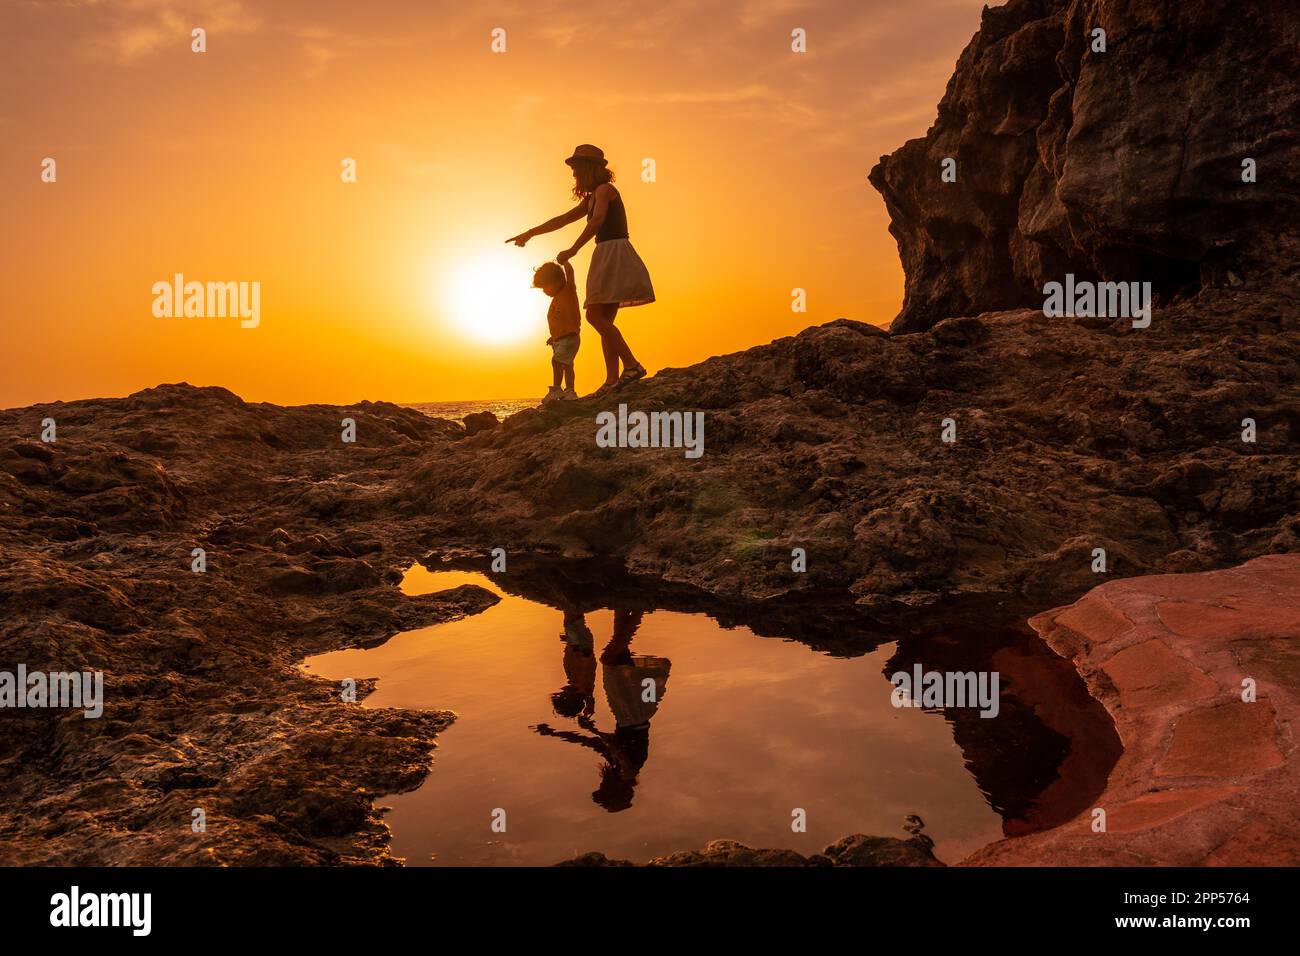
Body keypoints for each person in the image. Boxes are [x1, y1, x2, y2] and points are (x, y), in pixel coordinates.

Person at [507, 144, 654, 396]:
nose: (574, 175)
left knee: (594, 317)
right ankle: (611, 380)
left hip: (613, 252)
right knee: (604, 319)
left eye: (576, 170)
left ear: (589, 169)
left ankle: (631, 365)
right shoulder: (592, 197)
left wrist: (573, 249)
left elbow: (598, 221)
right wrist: (530, 233)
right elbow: (561, 220)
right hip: (606, 252)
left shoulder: (605, 191)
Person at [532, 260, 581, 404]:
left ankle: (557, 389)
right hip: (562, 339)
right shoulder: (556, 299)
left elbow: (570, 274)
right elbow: (559, 322)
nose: (544, 291)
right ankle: (570, 391)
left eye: (545, 287)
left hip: (569, 337)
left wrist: (565, 261)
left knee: (557, 362)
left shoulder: (568, 291)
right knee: (567, 365)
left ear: (557, 281)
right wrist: (553, 337)